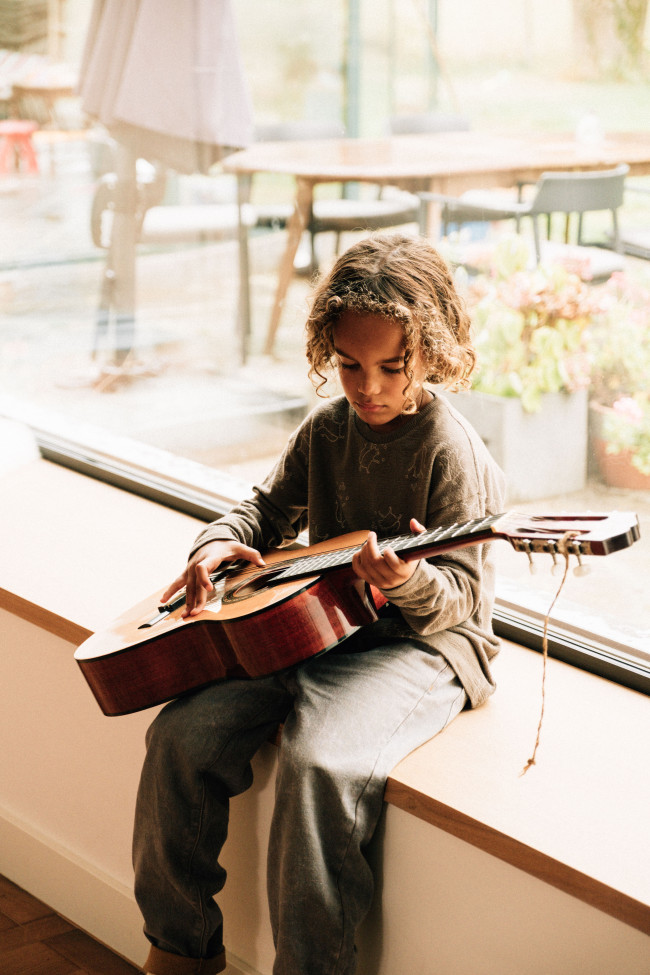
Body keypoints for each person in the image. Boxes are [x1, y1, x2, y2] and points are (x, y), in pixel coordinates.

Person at [133, 232, 505, 975]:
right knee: (179, 737)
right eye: (348, 365)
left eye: (391, 367)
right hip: (317, 624)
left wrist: (404, 580)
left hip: (423, 647)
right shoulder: (328, 428)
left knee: (317, 764)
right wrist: (214, 547)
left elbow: (458, 602)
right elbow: (262, 510)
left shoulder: (452, 451)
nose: (367, 387)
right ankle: (179, 951)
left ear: (430, 350)